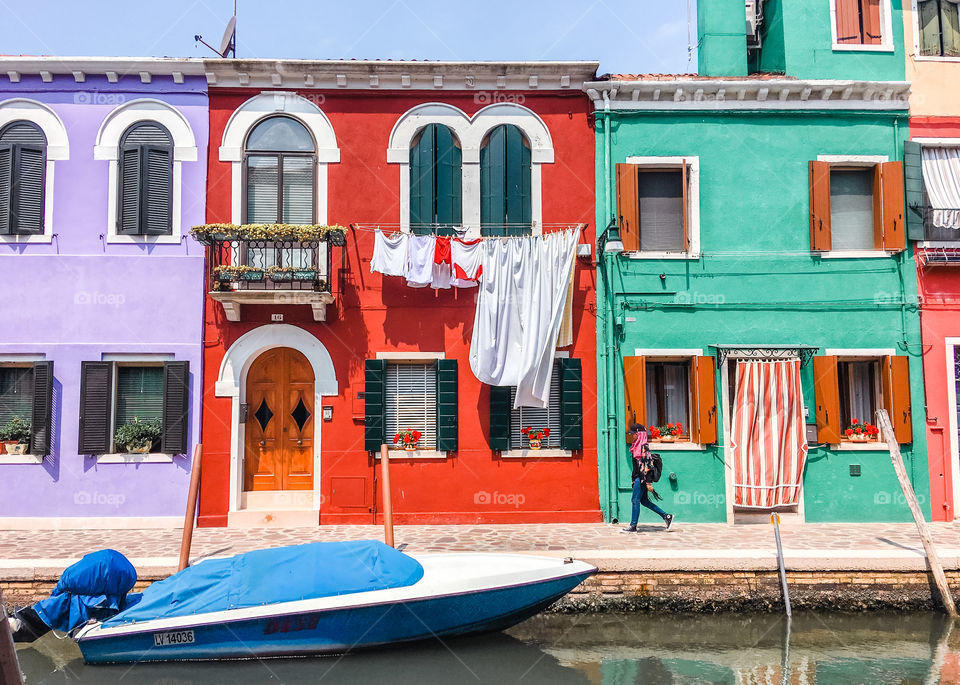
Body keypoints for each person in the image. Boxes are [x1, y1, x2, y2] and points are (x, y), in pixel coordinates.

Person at [622, 424, 674, 532]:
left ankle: (633, 526)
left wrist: (648, 482)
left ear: (638, 434)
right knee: (644, 501)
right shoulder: (636, 446)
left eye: (633, 434)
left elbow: (648, 466)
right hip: (638, 477)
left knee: (635, 500)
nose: (632, 436)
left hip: (642, 479)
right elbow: (636, 466)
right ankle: (666, 516)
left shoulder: (643, 447)